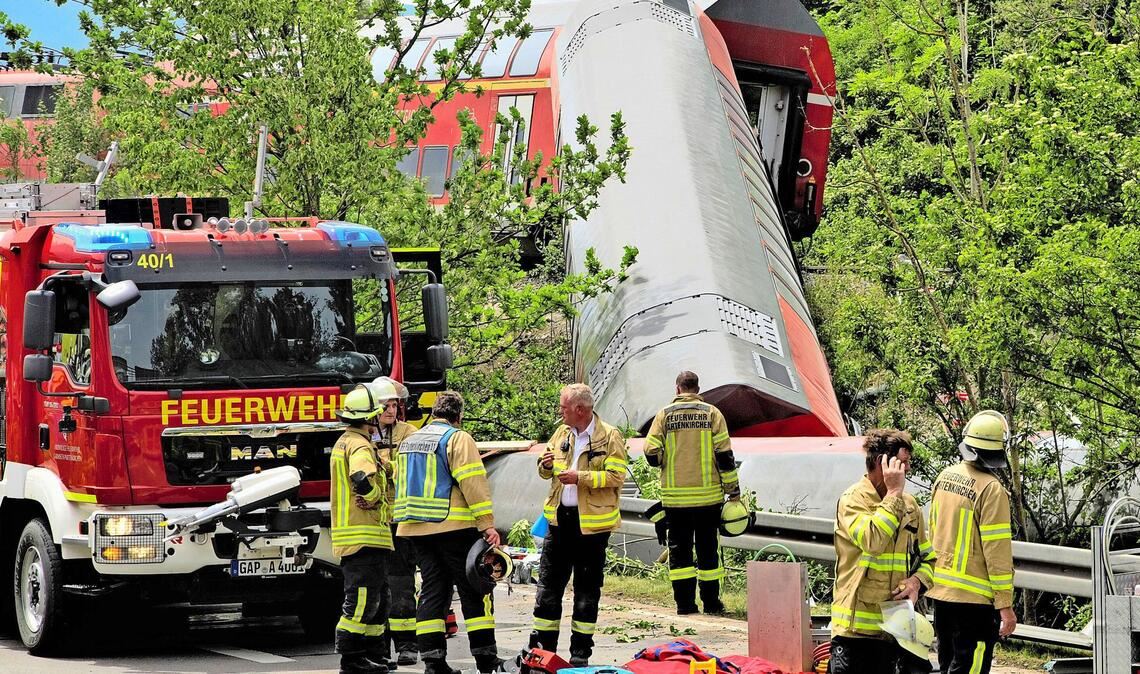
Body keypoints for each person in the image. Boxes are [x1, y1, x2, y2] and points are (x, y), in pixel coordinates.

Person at [395, 391, 503, 674]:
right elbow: (472, 482)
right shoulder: (458, 438)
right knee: (474, 591)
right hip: (454, 527)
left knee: (432, 592)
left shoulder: (409, 441)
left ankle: (433, 662)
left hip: (416, 530)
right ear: (459, 416)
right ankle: (486, 660)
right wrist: (486, 524)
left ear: (433, 413)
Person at [529, 383, 628, 665]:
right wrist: (546, 465)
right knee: (548, 589)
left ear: (580, 409)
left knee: (586, 591)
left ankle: (580, 655)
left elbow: (616, 476)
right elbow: (543, 469)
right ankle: (544, 652)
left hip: (592, 528)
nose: (560, 412)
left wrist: (580, 477)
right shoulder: (562, 433)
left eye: (564, 407)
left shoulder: (609, 437)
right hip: (559, 522)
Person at [829, 429, 936, 674]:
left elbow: (929, 559)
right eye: (903, 463)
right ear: (882, 462)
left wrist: (916, 582)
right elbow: (873, 540)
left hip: (894, 632)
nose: (907, 470)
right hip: (854, 633)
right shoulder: (853, 500)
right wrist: (894, 493)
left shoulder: (910, 506)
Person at [927, 411, 1017, 674]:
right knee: (972, 667)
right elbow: (996, 551)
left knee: (948, 665)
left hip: (941, 593)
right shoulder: (991, 489)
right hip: (974, 601)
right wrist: (1005, 607)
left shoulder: (945, 476)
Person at [644, 371, 737, 614]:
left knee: (680, 554)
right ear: (697, 389)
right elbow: (725, 457)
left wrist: (665, 460)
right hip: (708, 499)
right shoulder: (712, 414)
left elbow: (651, 452)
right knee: (708, 553)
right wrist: (733, 491)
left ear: (677, 389)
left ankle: (684, 605)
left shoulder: (664, 415)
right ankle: (712, 603)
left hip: (676, 500)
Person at [331, 382, 398, 674]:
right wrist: (371, 497)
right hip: (363, 537)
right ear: (371, 417)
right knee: (361, 601)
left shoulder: (347, 440)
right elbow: (361, 475)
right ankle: (353, 658)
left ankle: (374, 655)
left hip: (363, 538)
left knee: (376, 599)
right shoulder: (358, 444)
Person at [371, 377, 421, 668]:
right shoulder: (364, 435)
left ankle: (406, 645)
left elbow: (410, 469)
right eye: (385, 406)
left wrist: (386, 465)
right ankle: (380, 649)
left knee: (402, 585)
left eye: (394, 405)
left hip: (400, 521)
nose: (391, 410)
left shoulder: (409, 433)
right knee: (378, 587)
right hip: (374, 523)